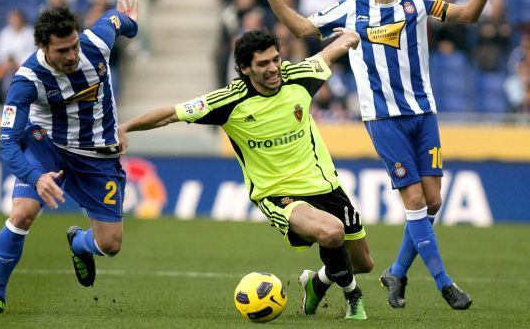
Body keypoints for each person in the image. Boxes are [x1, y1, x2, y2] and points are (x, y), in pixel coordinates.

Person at [253, 0, 507, 310]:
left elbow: (466, 15)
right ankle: (445, 283)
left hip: (424, 113)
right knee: (416, 199)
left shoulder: (417, 1)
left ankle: (397, 272)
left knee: (433, 200)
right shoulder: (351, 8)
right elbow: (302, 29)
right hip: (383, 119)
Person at [118, 28, 373, 320]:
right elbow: (170, 114)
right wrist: (125, 128)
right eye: (263, 64)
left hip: (326, 185)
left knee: (362, 262)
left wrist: (351, 37)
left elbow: (329, 53)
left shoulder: (301, 77)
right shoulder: (229, 101)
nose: (274, 68)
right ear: (244, 68)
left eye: (276, 59)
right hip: (279, 194)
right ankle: (354, 297)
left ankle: (317, 282)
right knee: (331, 232)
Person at [0, 0, 138, 313]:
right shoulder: (27, 80)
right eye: (62, 51)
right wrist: (35, 177)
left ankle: (79, 243)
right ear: (42, 47)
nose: (72, 56)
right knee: (23, 212)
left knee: (110, 245)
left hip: (97, 157)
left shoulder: (96, 41)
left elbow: (120, 21)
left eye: (73, 46)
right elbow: (7, 143)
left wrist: (131, 22)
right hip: (48, 149)